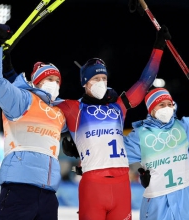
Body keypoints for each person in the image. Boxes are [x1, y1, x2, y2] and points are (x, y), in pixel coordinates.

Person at [57, 25, 172, 220]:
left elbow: (145, 82)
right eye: (96, 78)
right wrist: (66, 137)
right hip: (93, 185)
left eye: (104, 77)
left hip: (121, 184)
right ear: (85, 82)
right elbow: (41, 108)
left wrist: (158, 47)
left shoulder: (118, 107)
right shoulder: (73, 108)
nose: (102, 82)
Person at [0, 24, 68, 220]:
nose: (54, 83)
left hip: (48, 196)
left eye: (57, 80)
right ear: (36, 82)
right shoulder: (22, 100)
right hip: (19, 191)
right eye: (49, 78)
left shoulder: (59, 112)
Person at [123, 88, 189, 220]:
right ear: (152, 109)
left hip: (187, 196)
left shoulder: (184, 126)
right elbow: (117, 152)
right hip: (157, 201)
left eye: (169, 104)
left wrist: (187, 169)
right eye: (161, 105)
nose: (166, 108)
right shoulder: (140, 135)